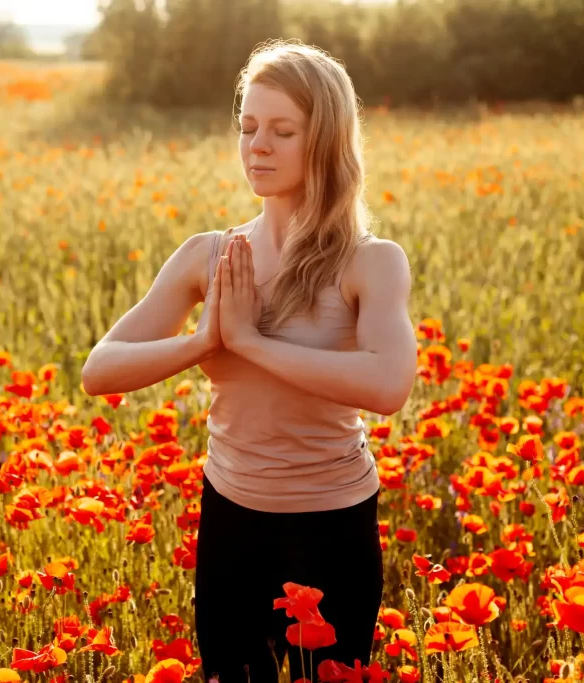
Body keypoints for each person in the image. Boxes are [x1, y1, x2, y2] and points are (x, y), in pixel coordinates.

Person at [82, 39, 417, 683]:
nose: (256, 146)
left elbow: (388, 384)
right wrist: (204, 343)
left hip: (332, 523)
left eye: (282, 130)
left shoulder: (371, 262)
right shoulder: (208, 256)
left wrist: (255, 344)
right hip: (231, 518)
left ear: (324, 141)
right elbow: (101, 368)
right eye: (248, 127)